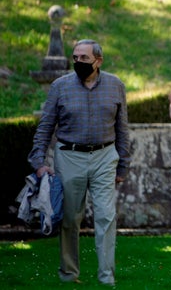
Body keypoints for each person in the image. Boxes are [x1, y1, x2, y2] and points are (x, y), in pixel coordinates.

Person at [28, 39, 130, 285]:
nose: (78, 62)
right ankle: (69, 274)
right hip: (69, 156)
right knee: (71, 219)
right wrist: (39, 161)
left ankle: (107, 277)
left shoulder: (116, 85)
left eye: (84, 58)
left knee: (106, 216)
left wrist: (123, 165)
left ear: (98, 60)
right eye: (75, 58)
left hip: (105, 157)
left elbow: (122, 128)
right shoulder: (60, 87)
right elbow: (45, 127)